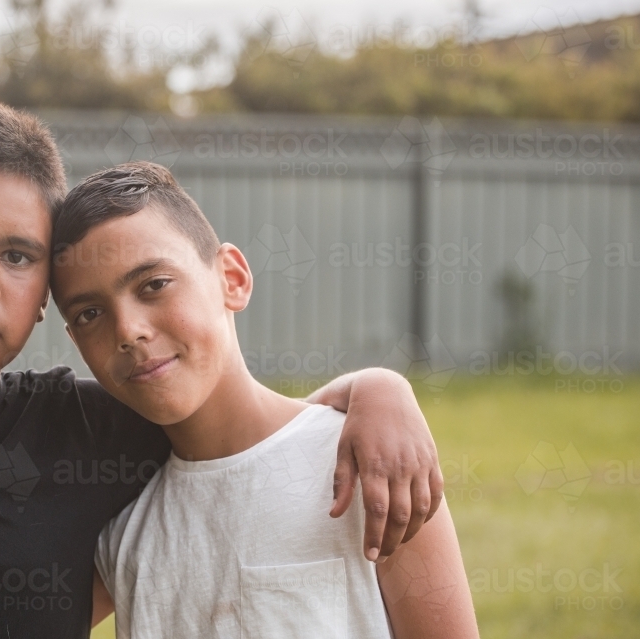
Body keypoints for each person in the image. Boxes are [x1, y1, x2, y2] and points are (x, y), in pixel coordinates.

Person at [0, 95, 443, 637]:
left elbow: (252, 447)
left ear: (40, 299)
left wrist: (380, 387)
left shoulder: (88, 432)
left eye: (18, 256)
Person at [48, 162, 479, 638]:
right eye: (90, 314)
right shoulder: (119, 518)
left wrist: (383, 385)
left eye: (153, 284)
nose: (128, 331)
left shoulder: (370, 464)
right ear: (74, 339)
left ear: (231, 278)